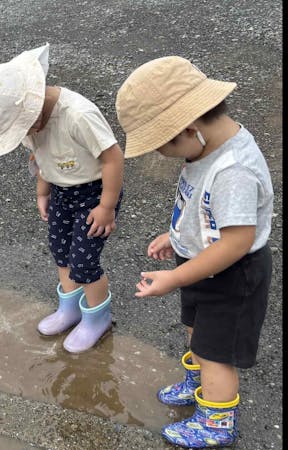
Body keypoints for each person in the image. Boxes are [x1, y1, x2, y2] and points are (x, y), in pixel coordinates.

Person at [116, 56, 274, 448]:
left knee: (216, 351)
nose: (161, 156)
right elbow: (208, 211)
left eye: (162, 147)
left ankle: (216, 423)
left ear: (188, 130)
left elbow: (236, 241)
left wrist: (176, 277)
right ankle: (198, 379)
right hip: (201, 264)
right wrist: (176, 235)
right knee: (197, 331)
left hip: (232, 273)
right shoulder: (206, 150)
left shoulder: (232, 171)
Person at [0, 43, 124, 353]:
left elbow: (113, 159)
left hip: (95, 192)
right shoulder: (33, 123)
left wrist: (107, 207)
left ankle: (97, 318)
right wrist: (43, 191)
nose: (26, 132)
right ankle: (70, 308)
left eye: (23, 125)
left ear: (33, 103)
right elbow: (40, 158)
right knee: (61, 250)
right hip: (61, 190)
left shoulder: (78, 115)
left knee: (84, 260)